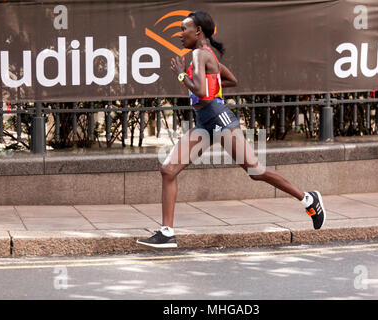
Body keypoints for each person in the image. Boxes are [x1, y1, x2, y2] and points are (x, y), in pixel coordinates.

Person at [137, 11, 326, 249]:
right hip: (205, 121)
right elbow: (230, 80)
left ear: (198, 31)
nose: (180, 34)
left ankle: (309, 199)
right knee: (168, 170)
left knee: (256, 171)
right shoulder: (208, 55)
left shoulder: (198, 54)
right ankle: (166, 232)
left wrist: (180, 74)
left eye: (184, 29)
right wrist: (209, 82)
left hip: (219, 119)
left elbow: (200, 90)